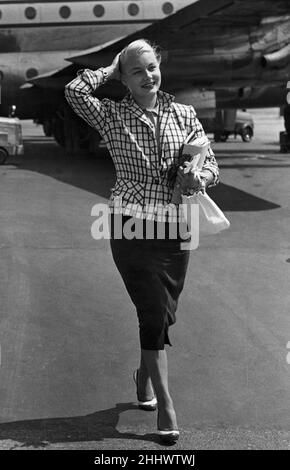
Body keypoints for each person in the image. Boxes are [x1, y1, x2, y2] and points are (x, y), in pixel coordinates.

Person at [64, 39, 219, 445]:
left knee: (163, 313)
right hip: (130, 223)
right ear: (125, 78)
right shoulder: (112, 114)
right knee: (152, 311)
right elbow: (74, 92)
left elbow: (211, 164)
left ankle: (143, 375)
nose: (147, 76)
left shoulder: (183, 112)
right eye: (137, 71)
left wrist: (198, 177)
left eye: (151, 67)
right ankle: (166, 407)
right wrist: (110, 68)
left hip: (175, 225)